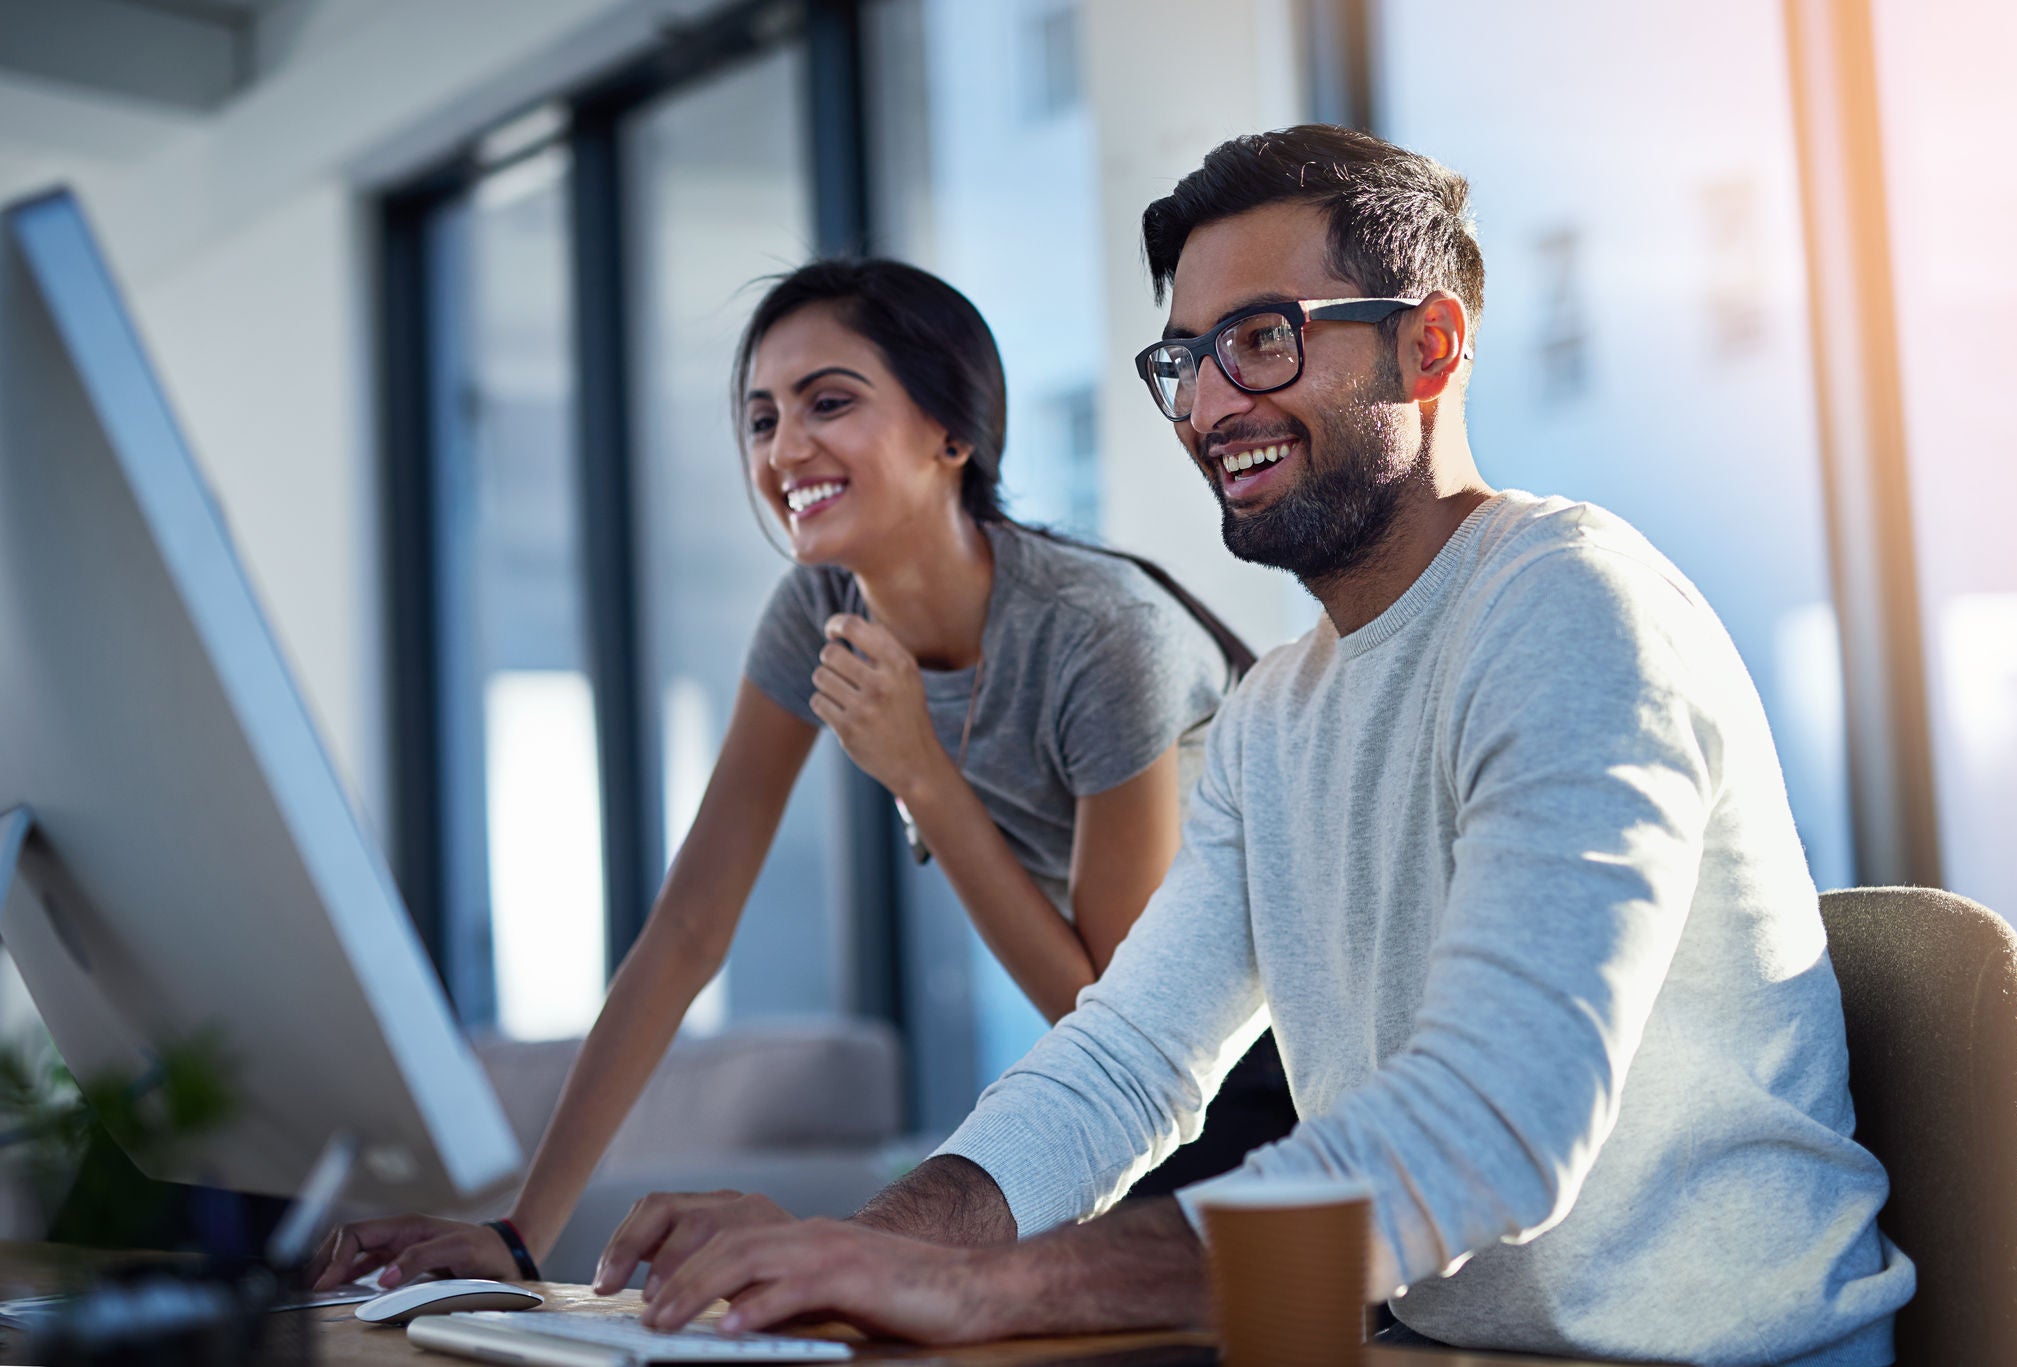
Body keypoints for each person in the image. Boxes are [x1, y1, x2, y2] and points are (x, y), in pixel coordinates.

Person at [593, 126, 1918, 1367]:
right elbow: (1125, 1063)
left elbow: (1494, 1126)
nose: (1210, 402)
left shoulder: (1570, 605)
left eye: (1264, 340)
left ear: (1431, 347)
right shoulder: (1277, 711)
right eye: (1186, 357)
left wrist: (986, 1285)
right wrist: (859, 1246)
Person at [311, 259, 1293, 1290]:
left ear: (950, 433)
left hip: (1266, 1060)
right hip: (1116, 1090)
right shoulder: (814, 607)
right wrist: (518, 1234)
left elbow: (1108, 1014)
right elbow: (687, 927)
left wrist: (921, 776)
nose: (785, 448)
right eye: (760, 418)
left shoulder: (1101, 636)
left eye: (829, 402)